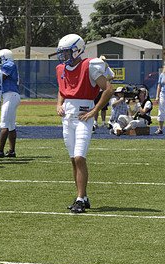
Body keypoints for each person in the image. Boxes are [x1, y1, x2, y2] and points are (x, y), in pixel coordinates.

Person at [56, 33, 115, 213]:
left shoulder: (90, 65)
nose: (63, 56)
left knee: (80, 157)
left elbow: (108, 88)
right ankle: (82, 196)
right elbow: (62, 89)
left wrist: (95, 110)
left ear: (77, 50)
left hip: (84, 115)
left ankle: (80, 199)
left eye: (66, 52)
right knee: (74, 159)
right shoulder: (61, 68)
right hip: (68, 118)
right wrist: (59, 104)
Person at [0, 49, 20, 158]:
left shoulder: (9, 64)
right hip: (10, 95)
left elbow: (1, 77)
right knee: (10, 125)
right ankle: (11, 151)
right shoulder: (10, 64)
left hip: (10, 94)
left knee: (4, 124)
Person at [92, 56, 114, 132]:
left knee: (103, 107)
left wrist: (105, 81)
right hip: (95, 90)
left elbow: (113, 75)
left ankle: (103, 122)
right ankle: (95, 122)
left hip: (103, 90)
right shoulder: (94, 68)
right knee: (95, 106)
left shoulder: (107, 68)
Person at [154, 66, 165, 135]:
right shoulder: (162, 75)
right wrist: (157, 97)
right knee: (161, 111)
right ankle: (160, 129)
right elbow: (159, 85)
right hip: (163, 94)